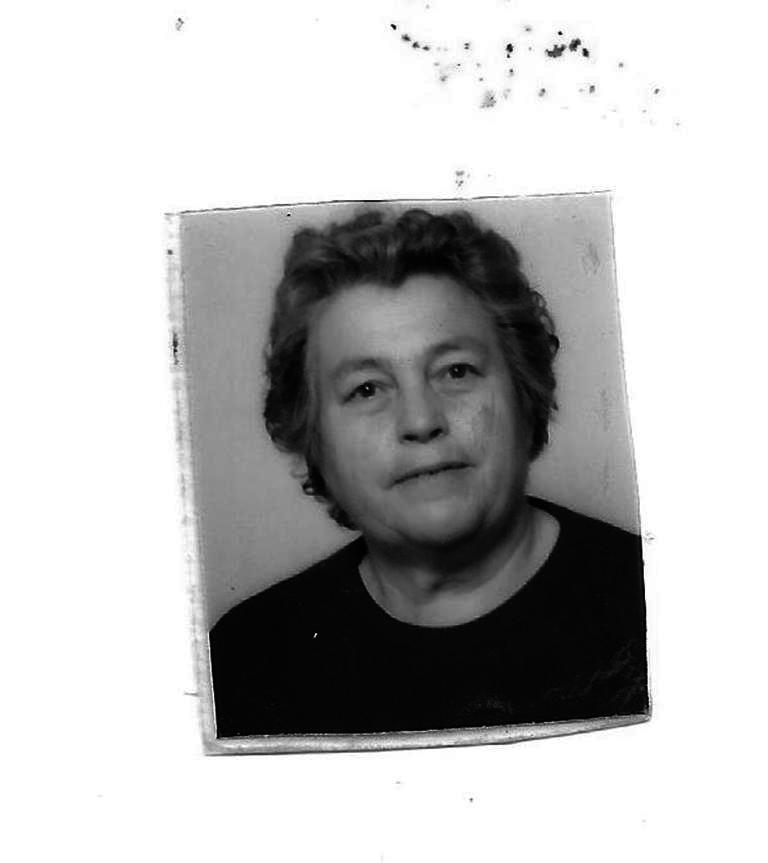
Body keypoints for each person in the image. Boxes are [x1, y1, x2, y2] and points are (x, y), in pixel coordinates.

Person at [209, 207, 649, 737]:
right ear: (311, 435)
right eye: (366, 389)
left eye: (456, 371)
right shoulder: (243, 664)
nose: (421, 421)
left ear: (525, 393)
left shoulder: (660, 604)